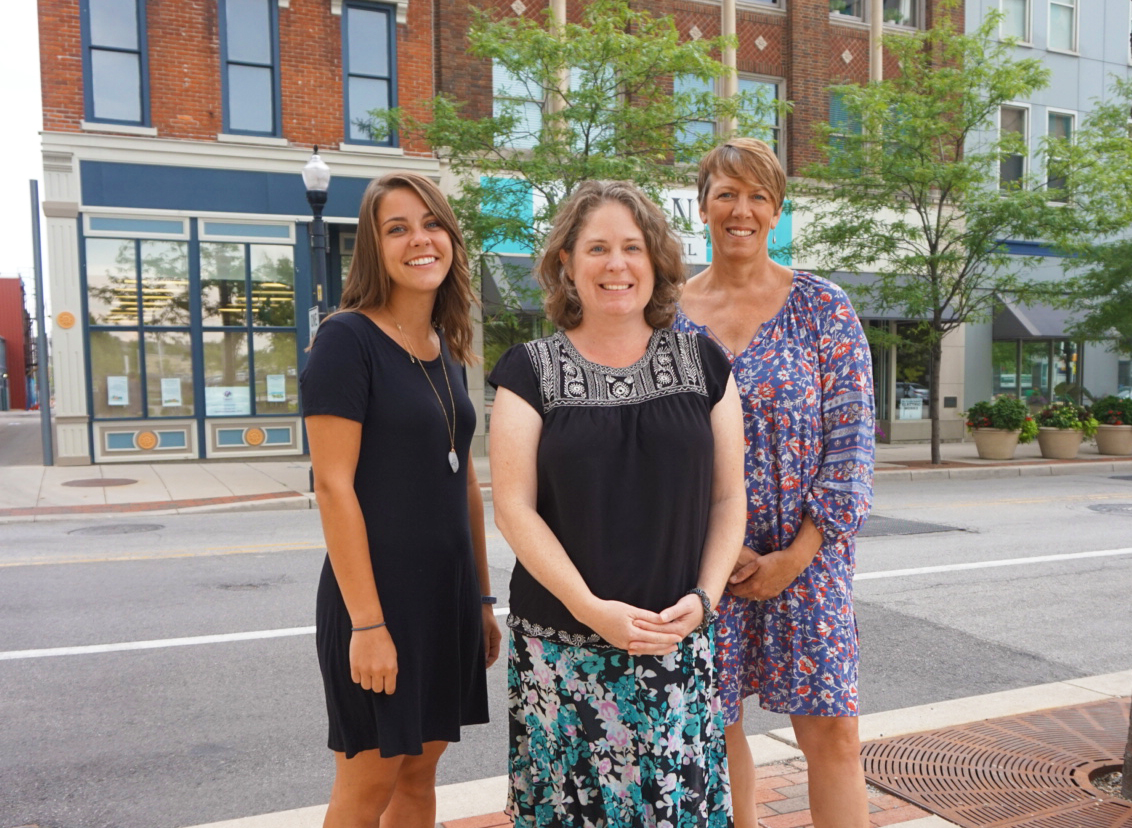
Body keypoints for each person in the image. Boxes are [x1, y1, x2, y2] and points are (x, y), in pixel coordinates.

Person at [488, 180, 747, 827]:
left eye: (632, 247)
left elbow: (728, 495)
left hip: (676, 645)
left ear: (656, 260)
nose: (616, 264)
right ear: (567, 264)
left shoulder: (703, 361)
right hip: (563, 654)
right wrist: (590, 609)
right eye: (597, 247)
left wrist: (706, 600)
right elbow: (514, 508)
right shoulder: (529, 371)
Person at [673, 137, 875, 828]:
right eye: (726, 193)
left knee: (833, 733)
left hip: (806, 557)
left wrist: (797, 556)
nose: (742, 209)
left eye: (758, 195)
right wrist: (712, 555)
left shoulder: (822, 307)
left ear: (777, 210)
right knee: (713, 728)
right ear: (702, 206)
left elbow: (850, 445)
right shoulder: (663, 315)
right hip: (701, 560)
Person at [300, 171, 500, 828]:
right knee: (367, 788)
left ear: (451, 238)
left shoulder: (444, 348)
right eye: (398, 227)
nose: (421, 238)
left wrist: (480, 599)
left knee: (419, 775)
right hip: (377, 603)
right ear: (374, 248)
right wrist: (367, 624)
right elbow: (332, 487)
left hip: (445, 600)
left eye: (432, 222)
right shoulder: (347, 340)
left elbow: (463, 482)